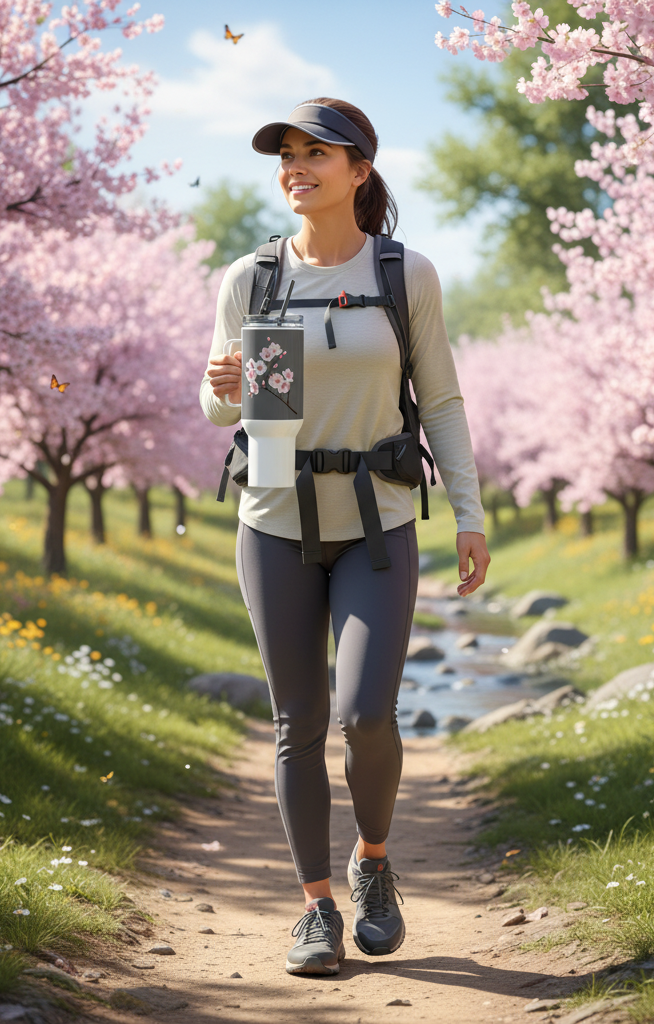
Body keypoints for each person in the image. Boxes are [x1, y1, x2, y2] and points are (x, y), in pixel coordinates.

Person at [200, 97, 490, 976]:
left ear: (359, 171)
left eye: (315, 153)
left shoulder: (406, 275)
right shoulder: (253, 278)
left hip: (378, 523)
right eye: (285, 154)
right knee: (298, 723)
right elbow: (230, 409)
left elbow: (439, 400)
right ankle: (316, 911)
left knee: (366, 714)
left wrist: (470, 513)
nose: (295, 166)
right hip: (276, 521)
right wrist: (219, 385)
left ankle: (373, 865)